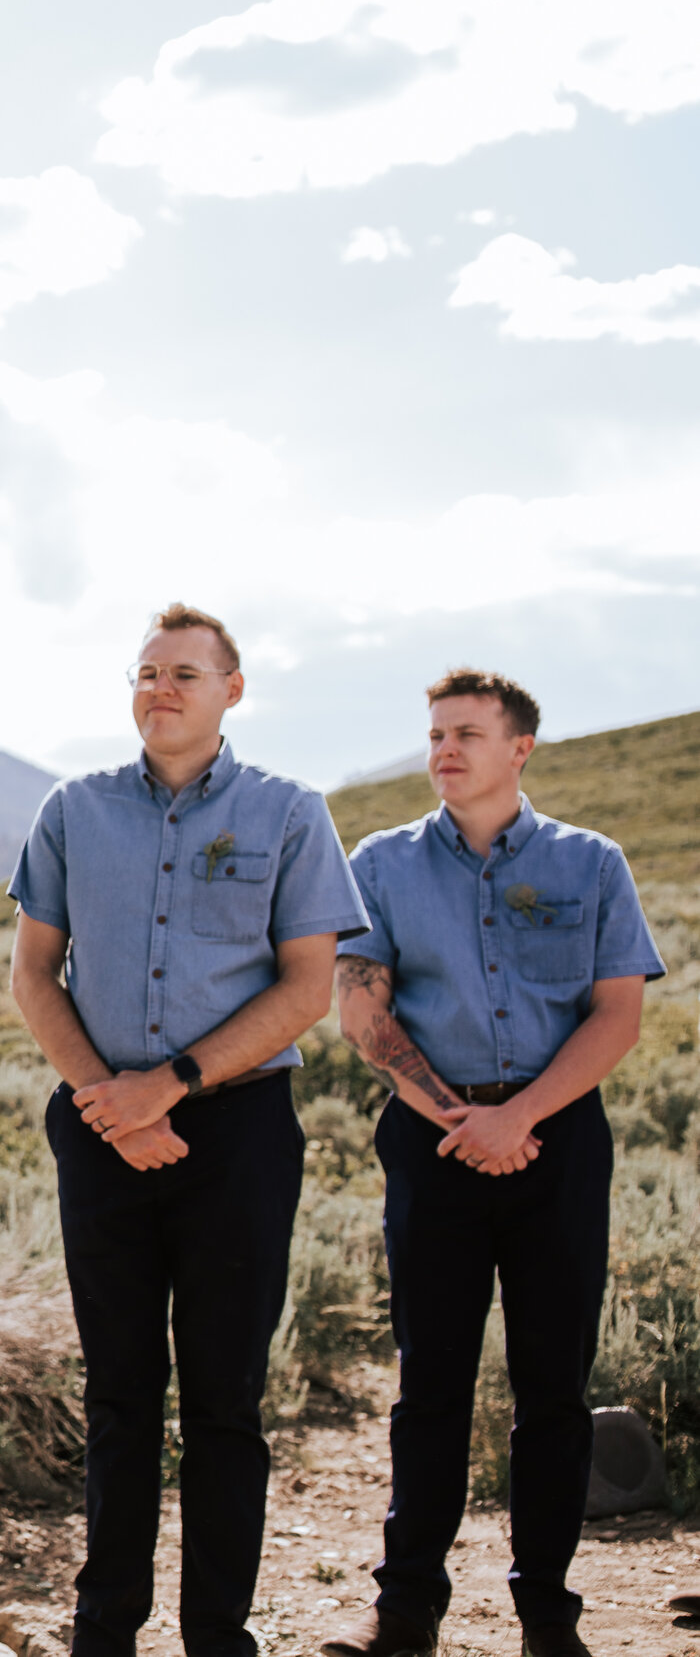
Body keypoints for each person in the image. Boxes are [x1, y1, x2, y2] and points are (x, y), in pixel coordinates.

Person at [6, 603, 367, 1657]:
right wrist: (107, 1103)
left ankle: (218, 1634)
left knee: (224, 1399)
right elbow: (33, 971)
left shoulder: (289, 812)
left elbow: (307, 987)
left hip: (238, 1134)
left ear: (231, 691)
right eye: (148, 671)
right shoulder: (73, 808)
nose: (161, 688)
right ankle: (102, 1632)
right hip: (98, 1127)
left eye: (185, 673)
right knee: (117, 1393)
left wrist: (164, 1086)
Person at [320, 671, 660, 1657]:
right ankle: (405, 1609)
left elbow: (617, 1013)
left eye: (466, 732)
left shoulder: (590, 862)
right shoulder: (379, 864)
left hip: (558, 1139)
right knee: (431, 1380)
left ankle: (547, 1615)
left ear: (521, 748)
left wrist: (516, 1116)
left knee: (553, 1385)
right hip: (433, 1143)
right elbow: (360, 1010)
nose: (443, 750)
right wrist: (459, 1118)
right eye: (433, 734)